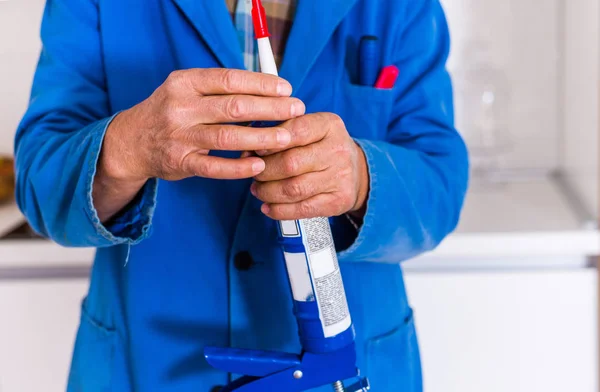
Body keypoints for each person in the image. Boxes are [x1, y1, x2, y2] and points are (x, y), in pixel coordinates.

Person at [14, 0, 468, 390]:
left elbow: (440, 184)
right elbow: (39, 181)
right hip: (148, 365)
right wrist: (130, 147)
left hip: (349, 367)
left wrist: (360, 176)